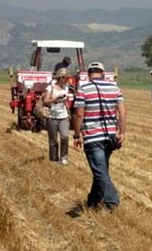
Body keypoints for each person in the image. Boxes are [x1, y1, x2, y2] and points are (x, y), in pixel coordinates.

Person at [73, 61, 126, 211]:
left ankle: (112, 200)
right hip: (110, 137)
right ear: (103, 73)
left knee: (100, 171)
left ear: (89, 74)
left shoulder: (83, 89)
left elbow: (78, 114)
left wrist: (76, 135)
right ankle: (93, 201)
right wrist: (121, 132)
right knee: (101, 169)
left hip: (92, 136)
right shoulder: (115, 88)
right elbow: (122, 112)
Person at [43, 68, 71, 165]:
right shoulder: (50, 88)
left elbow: (66, 101)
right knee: (53, 140)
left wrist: (69, 112)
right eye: (65, 78)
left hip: (64, 116)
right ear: (60, 77)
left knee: (65, 137)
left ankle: (63, 158)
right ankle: (53, 160)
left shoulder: (66, 88)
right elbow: (45, 101)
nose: (67, 80)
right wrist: (55, 99)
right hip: (52, 117)